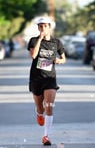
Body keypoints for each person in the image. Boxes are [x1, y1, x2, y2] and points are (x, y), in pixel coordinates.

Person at [27, 16, 66, 146]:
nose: (43, 28)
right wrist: (40, 39)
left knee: (49, 106)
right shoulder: (33, 40)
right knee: (41, 108)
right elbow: (33, 55)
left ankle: (46, 136)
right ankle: (39, 113)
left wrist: (59, 61)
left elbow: (63, 58)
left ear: (50, 27)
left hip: (50, 78)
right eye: (40, 26)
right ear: (38, 28)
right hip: (36, 78)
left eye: (45, 26)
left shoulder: (56, 43)